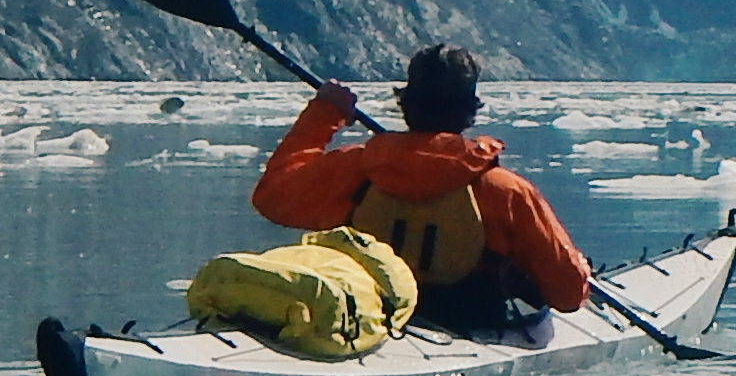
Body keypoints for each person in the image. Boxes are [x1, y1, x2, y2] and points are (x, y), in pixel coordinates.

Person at [251, 41, 597, 345]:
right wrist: (579, 269)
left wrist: (323, 113)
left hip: (372, 320)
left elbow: (273, 198)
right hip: (474, 325)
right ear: (470, 109)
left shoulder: (356, 169)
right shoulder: (506, 191)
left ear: (406, 103)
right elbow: (567, 296)